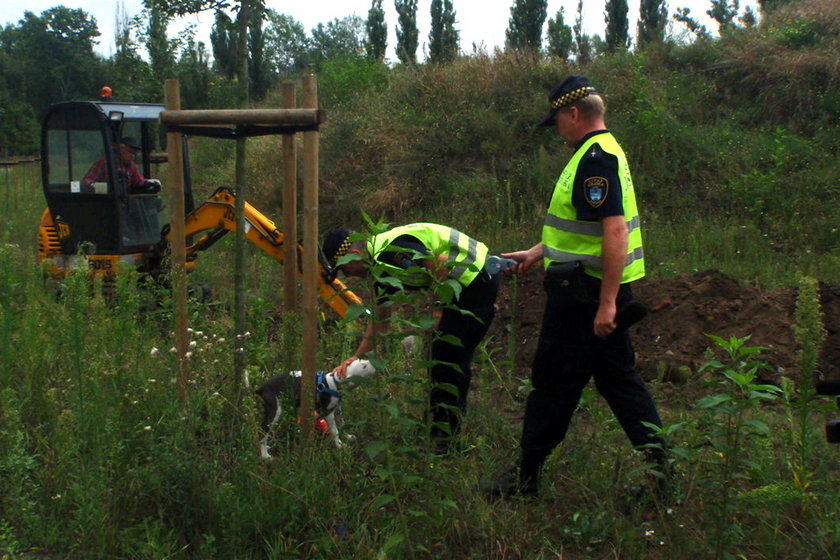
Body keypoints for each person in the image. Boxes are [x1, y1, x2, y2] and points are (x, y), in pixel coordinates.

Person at [487, 76, 671, 499]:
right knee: (620, 383)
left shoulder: (594, 160)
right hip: (593, 292)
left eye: (556, 121)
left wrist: (605, 304)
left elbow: (615, 232)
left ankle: (525, 479)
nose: (557, 131)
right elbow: (583, 227)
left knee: (553, 383)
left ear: (573, 113)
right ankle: (662, 478)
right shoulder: (605, 151)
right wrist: (538, 251)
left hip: (583, 298)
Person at [323, 223, 500, 453]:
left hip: (474, 282)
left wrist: (438, 308)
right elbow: (381, 320)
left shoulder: (389, 251)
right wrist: (356, 358)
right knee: (440, 358)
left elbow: (440, 263)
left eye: (346, 269)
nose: (350, 275)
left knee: (448, 360)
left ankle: (446, 441)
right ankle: (436, 428)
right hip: (463, 285)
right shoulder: (381, 269)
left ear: (355, 255)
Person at [81, 136, 160, 193]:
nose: (132, 155)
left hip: (125, 202)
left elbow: (138, 181)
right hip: (105, 201)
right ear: (119, 149)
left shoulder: (132, 166)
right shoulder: (104, 163)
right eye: (129, 152)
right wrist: (97, 186)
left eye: (134, 153)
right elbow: (87, 181)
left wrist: (151, 183)